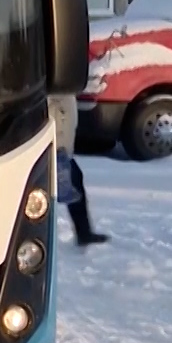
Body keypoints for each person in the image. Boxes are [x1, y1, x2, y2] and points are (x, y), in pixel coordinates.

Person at [51, 94, 110, 247]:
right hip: (52, 147)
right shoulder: (54, 86)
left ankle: (84, 233)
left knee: (74, 180)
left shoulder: (65, 89)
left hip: (61, 147)